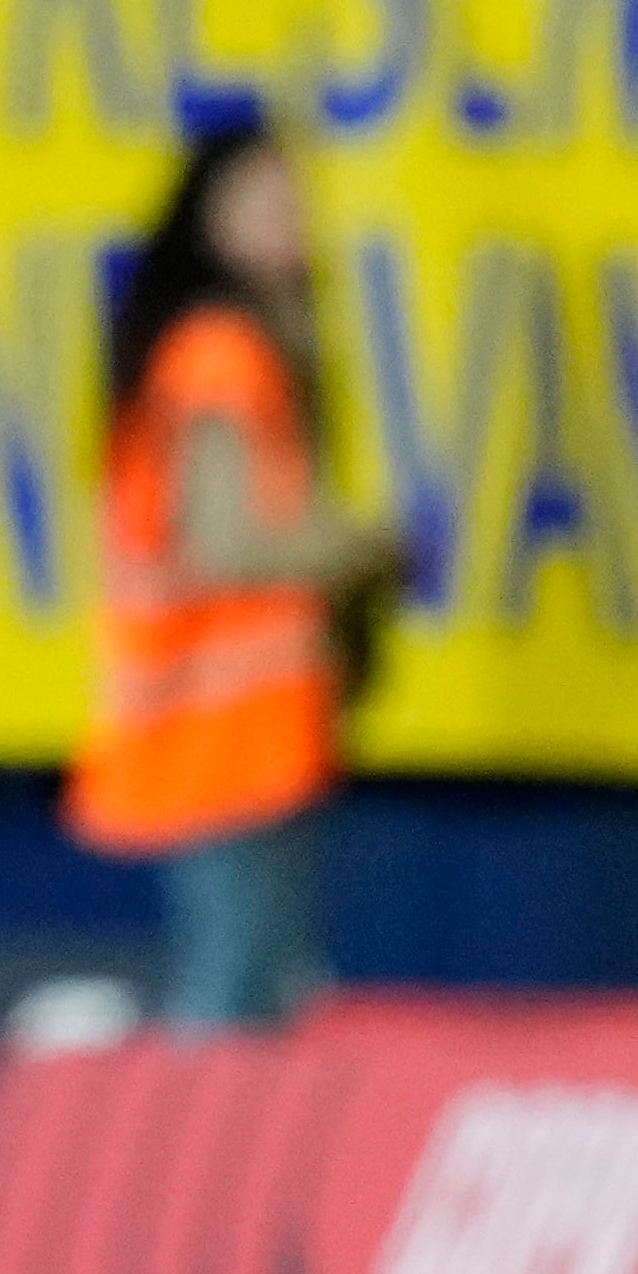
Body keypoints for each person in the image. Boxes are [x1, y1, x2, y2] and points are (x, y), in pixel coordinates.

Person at [69, 124, 398, 1034]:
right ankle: (191, 1166)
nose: (290, 222)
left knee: (260, 984)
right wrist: (360, 546)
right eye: (264, 202)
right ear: (208, 220)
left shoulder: (255, 343)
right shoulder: (220, 352)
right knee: (234, 990)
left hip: (247, 727)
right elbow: (227, 543)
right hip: (213, 727)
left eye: (295, 201)